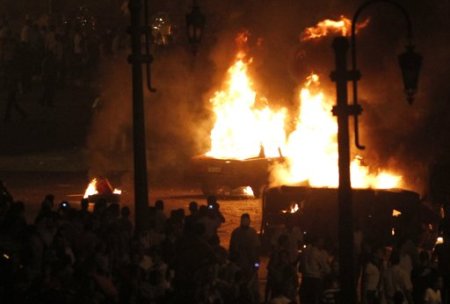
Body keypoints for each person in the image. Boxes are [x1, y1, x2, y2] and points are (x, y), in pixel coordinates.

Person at [229, 213, 260, 304]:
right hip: (239, 264)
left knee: (252, 287)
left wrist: (256, 263)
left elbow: (256, 249)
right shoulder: (236, 232)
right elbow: (232, 249)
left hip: (250, 264)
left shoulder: (253, 232)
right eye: (244, 220)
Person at [299, 235, 331, 304]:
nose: (322, 244)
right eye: (321, 242)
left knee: (305, 300)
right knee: (315, 299)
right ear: (316, 242)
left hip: (305, 279)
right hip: (315, 279)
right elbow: (325, 267)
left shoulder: (305, 250)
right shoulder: (318, 253)